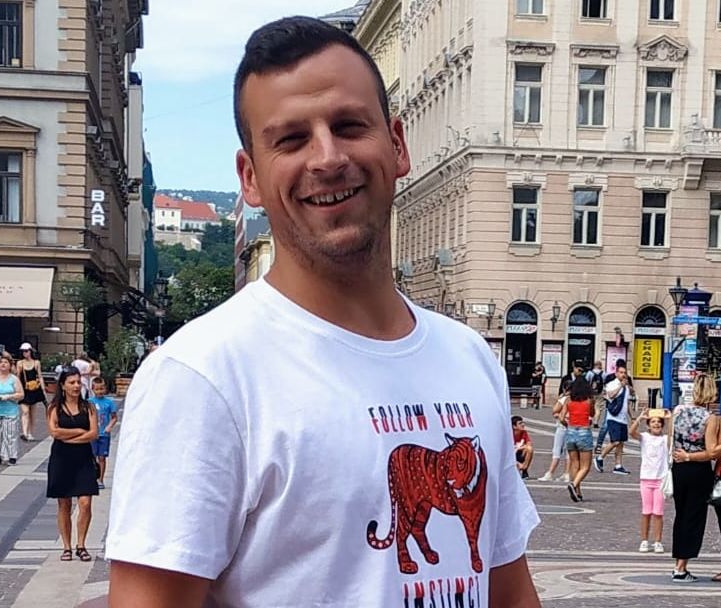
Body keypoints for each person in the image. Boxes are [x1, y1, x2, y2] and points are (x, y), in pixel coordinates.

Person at [107, 17, 540, 608]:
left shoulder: (469, 358)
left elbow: (508, 590)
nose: (328, 157)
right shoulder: (202, 377)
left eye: (349, 126)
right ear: (250, 178)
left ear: (397, 144)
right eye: (291, 140)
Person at [670, 374, 721, 582]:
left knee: (681, 515)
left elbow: (671, 440)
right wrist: (691, 455)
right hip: (698, 470)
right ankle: (681, 567)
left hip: (678, 468)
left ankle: (678, 563)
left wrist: (681, 455)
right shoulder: (710, 418)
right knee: (694, 517)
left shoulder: (678, 411)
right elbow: (711, 452)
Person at [46, 366, 99, 563]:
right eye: (72, 382)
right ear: (63, 385)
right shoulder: (55, 407)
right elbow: (54, 432)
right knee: (64, 503)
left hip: (83, 458)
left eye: (78, 382)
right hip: (62, 458)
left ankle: (81, 544)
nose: (76, 386)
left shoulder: (88, 407)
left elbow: (93, 433)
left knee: (85, 502)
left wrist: (70, 437)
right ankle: (66, 546)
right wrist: (78, 431)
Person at [629, 408, 671, 554]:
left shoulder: (665, 439)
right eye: (653, 422)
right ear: (648, 425)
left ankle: (658, 541)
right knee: (646, 511)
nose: (656, 424)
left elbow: (672, 436)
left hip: (660, 479)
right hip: (646, 479)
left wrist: (669, 419)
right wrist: (640, 418)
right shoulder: (645, 437)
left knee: (658, 512)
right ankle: (644, 540)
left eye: (659, 422)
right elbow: (631, 432)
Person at [593, 362, 632, 475]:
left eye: (624, 373)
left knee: (621, 443)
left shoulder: (627, 387)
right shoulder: (612, 384)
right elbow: (610, 395)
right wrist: (620, 386)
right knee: (615, 441)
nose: (623, 375)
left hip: (623, 418)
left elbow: (627, 403)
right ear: (616, 373)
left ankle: (618, 465)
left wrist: (632, 417)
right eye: (621, 372)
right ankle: (600, 457)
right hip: (613, 417)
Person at [560, 376, 594, 502]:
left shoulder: (568, 400)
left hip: (571, 431)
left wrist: (567, 426)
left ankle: (578, 491)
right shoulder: (589, 400)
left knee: (574, 463)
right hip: (584, 431)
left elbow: (561, 417)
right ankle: (573, 485)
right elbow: (592, 414)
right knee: (585, 466)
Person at [88, 376, 118, 490]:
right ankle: (91, 478)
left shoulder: (109, 402)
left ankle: (100, 479)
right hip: (93, 434)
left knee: (102, 457)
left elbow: (114, 417)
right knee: (92, 457)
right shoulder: (89, 402)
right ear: (93, 389)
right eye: (97, 389)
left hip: (104, 434)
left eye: (102, 389)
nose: (100, 391)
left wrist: (109, 427)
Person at [16, 342, 47, 442]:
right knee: (25, 411)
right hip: (24, 389)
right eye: (23, 351)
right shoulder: (20, 363)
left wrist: (43, 389)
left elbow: (40, 376)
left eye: (26, 351)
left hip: (34, 389)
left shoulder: (36, 363)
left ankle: (30, 433)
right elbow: (18, 376)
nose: (25, 353)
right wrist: (17, 388)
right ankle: (25, 432)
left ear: (30, 351)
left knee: (32, 413)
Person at [537, 389, 570, 483]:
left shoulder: (565, 399)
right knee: (568, 452)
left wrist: (559, 416)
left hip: (563, 426)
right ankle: (567, 474)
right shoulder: (579, 399)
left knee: (557, 450)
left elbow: (555, 410)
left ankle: (550, 473)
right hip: (573, 427)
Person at [586, 360, 604, 429]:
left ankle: (590, 419)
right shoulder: (604, 373)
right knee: (598, 408)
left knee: (590, 407)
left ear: (594, 365)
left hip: (590, 393)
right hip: (600, 393)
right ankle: (595, 422)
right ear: (600, 365)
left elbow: (586, 382)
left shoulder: (589, 373)